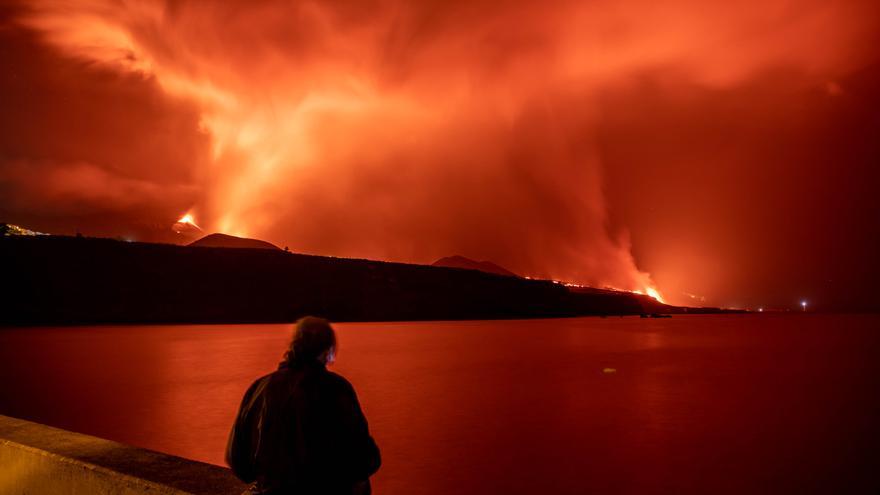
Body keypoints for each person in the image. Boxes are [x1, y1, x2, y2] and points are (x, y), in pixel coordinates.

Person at [227, 316, 381, 495]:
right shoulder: (337, 389)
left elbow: (238, 460)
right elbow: (366, 458)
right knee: (362, 484)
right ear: (326, 351)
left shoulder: (259, 388)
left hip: (273, 491)